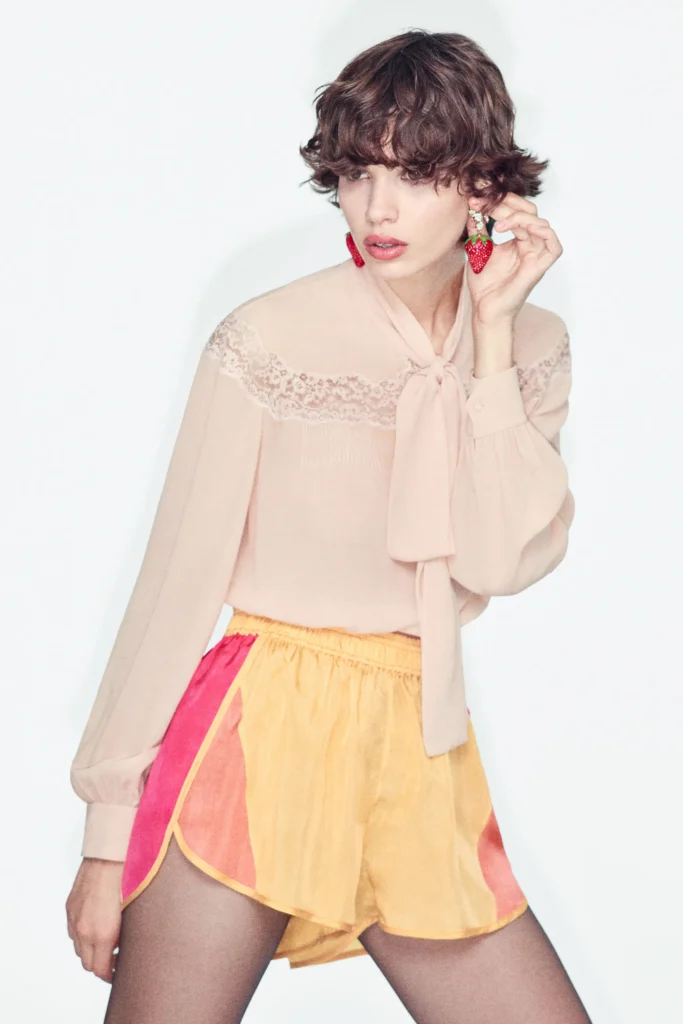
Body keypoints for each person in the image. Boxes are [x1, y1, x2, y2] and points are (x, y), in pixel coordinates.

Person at [65, 28, 591, 1024]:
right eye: (356, 174)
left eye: (414, 175)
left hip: (417, 743)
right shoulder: (268, 335)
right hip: (257, 732)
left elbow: (501, 559)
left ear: (484, 185)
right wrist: (105, 834)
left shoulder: (531, 344)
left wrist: (487, 341)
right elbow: (175, 583)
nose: (377, 208)